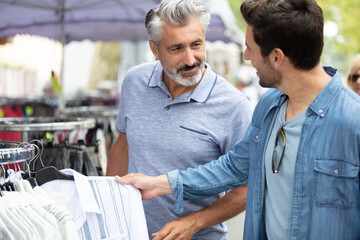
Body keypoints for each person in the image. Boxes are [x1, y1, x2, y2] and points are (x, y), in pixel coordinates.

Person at [115, 0, 360, 239]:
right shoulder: (269, 106)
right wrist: (162, 183)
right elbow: (234, 167)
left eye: (250, 48)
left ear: (276, 57)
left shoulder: (354, 120)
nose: (246, 56)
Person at [106, 0, 252, 239]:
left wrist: (193, 223)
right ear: (155, 49)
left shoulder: (233, 105)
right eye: (176, 48)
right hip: (132, 233)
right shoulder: (134, 82)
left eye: (196, 44)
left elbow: (247, 187)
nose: (190, 59)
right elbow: (124, 143)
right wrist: (110, 208)